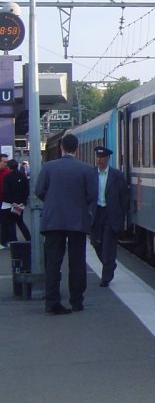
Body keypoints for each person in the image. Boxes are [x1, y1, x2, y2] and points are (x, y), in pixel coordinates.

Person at [35, 133, 98, 315]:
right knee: (77, 261)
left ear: (61, 147)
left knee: (53, 262)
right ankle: (77, 300)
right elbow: (92, 195)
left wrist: (52, 202)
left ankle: (52, 301)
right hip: (77, 220)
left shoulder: (48, 167)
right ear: (77, 149)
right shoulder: (86, 169)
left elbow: (39, 190)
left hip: (53, 220)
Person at [90, 146, 128, 287]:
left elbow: (124, 198)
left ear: (108, 158)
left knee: (108, 245)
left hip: (110, 214)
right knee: (96, 243)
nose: (99, 160)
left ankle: (106, 277)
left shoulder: (117, 176)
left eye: (102, 157)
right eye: (98, 157)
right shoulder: (91, 174)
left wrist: (121, 217)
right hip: (96, 213)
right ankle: (110, 264)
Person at [1, 159, 31, 245]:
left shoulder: (7, 177)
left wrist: (12, 202)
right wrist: (23, 202)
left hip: (11, 204)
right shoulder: (23, 176)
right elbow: (26, 190)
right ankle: (29, 238)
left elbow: (6, 191)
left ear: (9, 167)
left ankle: (14, 242)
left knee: (11, 223)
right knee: (20, 222)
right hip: (20, 204)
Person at [0, 153, 11, 248]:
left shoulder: (8, 172)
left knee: (5, 222)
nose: (6, 164)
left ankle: (4, 241)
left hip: (5, 201)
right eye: (4, 162)